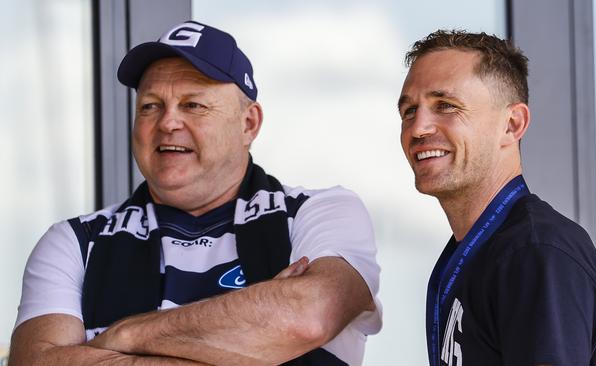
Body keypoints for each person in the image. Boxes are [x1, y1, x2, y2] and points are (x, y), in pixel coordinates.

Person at [10, 20, 381, 366]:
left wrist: (124, 333)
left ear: (248, 123)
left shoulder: (319, 213)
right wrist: (253, 333)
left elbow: (307, 317)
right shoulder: (74, 242)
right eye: (151, 106)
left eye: (193, 105)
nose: (168, 122)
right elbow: (36, 361)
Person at [397, 30, 596, 366]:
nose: (418, 128)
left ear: (512, 124)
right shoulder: (485, 252)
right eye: (409, 111)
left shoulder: (536, 253)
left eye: (445, 105)